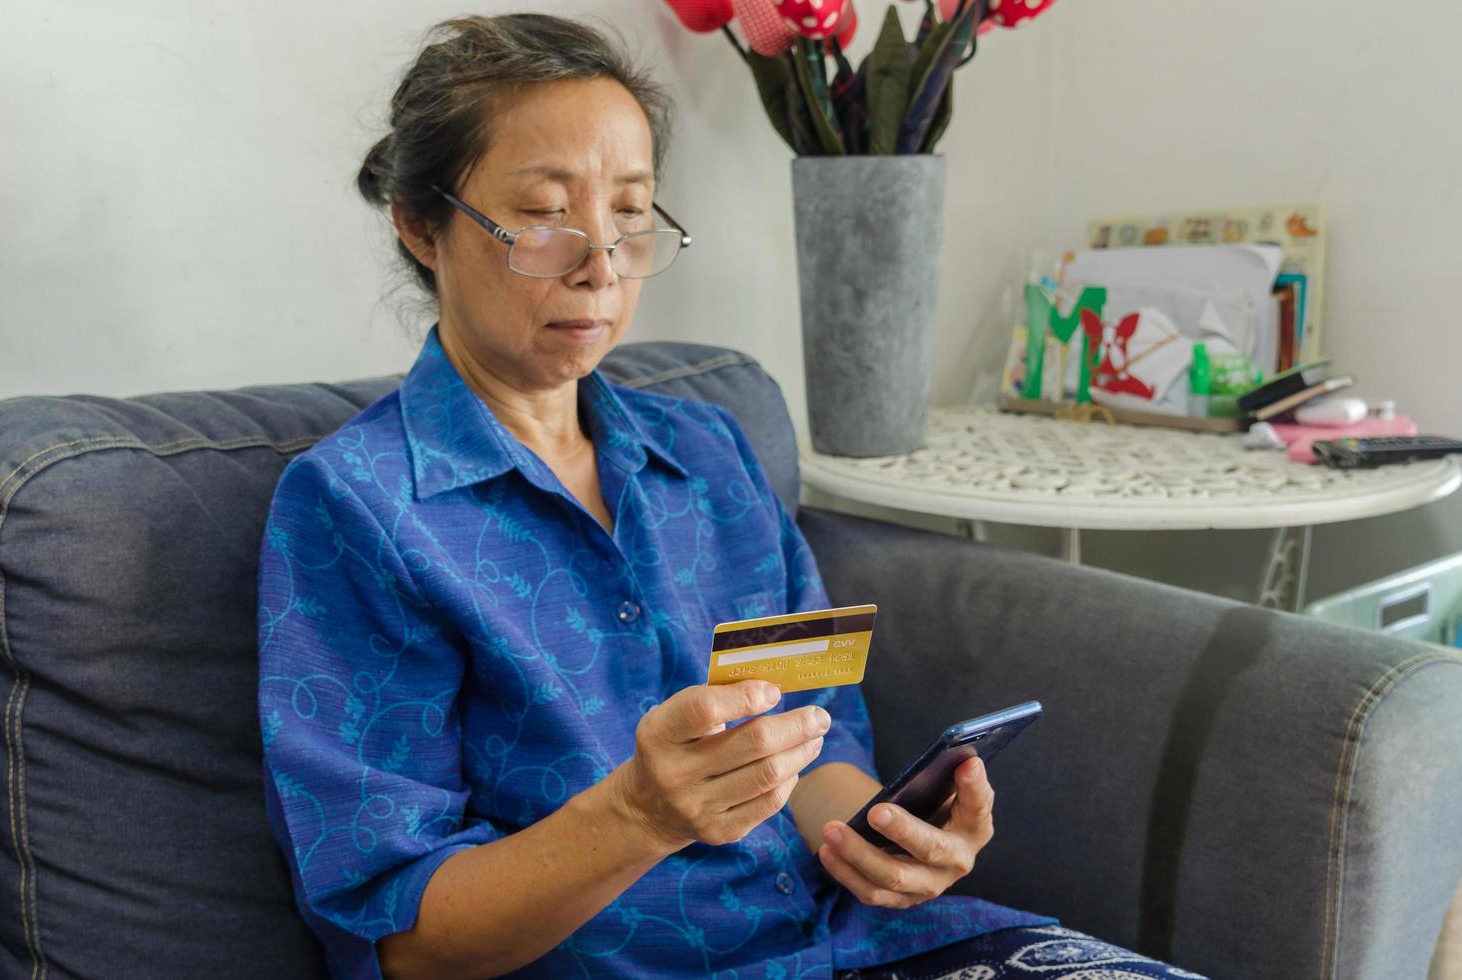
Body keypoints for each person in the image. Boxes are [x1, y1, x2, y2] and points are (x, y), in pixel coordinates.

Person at [256, 14, 1205, 980]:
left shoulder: (707, 452)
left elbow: (814, 730)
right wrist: (635, 815)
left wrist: (883, 840)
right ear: (422, 225)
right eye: (545, 215)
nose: (603, 263)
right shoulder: (358, 507)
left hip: (849, 944)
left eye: (631, 212)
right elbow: (401, 939)